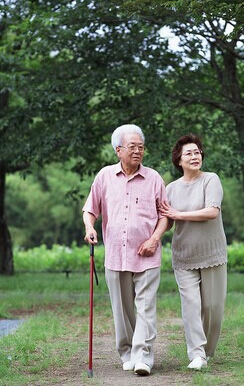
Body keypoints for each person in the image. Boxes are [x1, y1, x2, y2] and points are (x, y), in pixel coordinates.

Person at [82, 124, 168, 376]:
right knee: (122, 310)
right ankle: (127, 351)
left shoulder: (154, 178)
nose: (138, 151)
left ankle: (143, 356)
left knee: (146, 306)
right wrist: (90, 228)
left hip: (148, 255)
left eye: (141, 147)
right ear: (118, 150)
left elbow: (165, 214)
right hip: (116, 256)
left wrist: (154, 239)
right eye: (132, 147)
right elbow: (90, 209)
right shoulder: (105, 176)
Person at [160, 134, 227, 371]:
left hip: (212, 255)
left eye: (197, 152)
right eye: (188, 153)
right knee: (191, 306)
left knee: (212, 308)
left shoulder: (211, 180)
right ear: (179, 160)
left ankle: (206, 352)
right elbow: (166, 222)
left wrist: (178, 215)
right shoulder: (170, 189)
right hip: (184, 256)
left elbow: (211, 212)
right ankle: (197, 354)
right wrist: (152, 235)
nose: (194, 156)